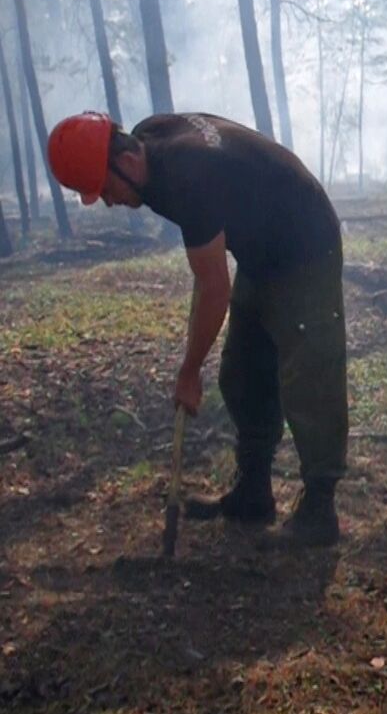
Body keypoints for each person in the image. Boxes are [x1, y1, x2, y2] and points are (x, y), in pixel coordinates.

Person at [48, 111, 347, 548]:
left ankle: (320, 510)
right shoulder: (149, 137)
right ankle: (254, 493)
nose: (109, 201)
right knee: (243, 372)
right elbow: (208, 267)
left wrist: (188, 372)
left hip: (304, 241)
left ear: (126, 164)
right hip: (261, 248)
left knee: (309, 377)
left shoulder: (188, 176)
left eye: (105, 190)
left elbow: (213, 288)